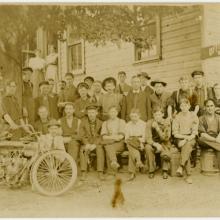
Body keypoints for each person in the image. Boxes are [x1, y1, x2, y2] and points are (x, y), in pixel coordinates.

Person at [172, 98, 199, 184]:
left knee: (186, 146)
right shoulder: (177, 116)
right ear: (179, 107)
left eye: (186, 105)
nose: (184, 107)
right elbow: (175, 133)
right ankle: (188, 176)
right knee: (186, 147)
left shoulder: (193, 116)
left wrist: (187, 139)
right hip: (179, 138)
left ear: (189, 106)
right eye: (182, 106)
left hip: (191, 138)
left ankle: (181, 166)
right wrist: (184, 138)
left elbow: (194, 133)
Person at [145, 106, 172, 179]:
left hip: (164, 142)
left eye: (159, 114)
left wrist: (157, 128)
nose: (157, 116)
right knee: (147, 147)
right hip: (153, 143)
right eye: (155, 115)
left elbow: (166, 138)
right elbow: (148, 138)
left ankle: (165, 170)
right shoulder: (149, 122)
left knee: (166, 147)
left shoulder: (166, 122)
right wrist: (155, 144)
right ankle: (151, 170)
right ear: (153, 115)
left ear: (163, 114)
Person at [79, 105, 105, 181]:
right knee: (83, 150)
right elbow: (82, 135)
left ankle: (100, 172)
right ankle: (83, 171)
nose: (91, 114)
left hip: (96, 144)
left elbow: (101, 136)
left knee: (100, 150)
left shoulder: (101, 123)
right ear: (87, 113)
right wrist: (86, 143)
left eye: (93, 112)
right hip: (87, 143)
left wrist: (95, 144)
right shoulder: (83, 123)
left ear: (96, 113)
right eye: (89, 113)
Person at [101, 106, 126, 173]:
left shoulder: (121, 122)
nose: (112, 113)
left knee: (108, 146)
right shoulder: (105, 123)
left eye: (114, 112)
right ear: (108, 113)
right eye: (111, 112)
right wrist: (114, 137)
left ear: (117, 113)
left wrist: (110, 137)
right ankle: (114, 162)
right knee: (109, 146)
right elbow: (104, 137)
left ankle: (111, 171)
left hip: (119, 144)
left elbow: (121, 136)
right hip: (109, 143)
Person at [198, 99, 220, 169]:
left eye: (211, 106)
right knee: (201, 139)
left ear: (215, 107)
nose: (210, 108)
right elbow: (202, 134)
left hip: (217, 138)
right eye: (208, 106)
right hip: (206, 139)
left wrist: (218, 138)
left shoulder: (218, 118)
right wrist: (215, 140)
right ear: (205, 108)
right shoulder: (201, 118)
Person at [125, 109, 146, 181]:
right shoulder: (127, 125)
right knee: (130, 143)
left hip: (140, 142)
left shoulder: (143, 124)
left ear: (139, 116)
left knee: (131, 152)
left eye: (135, 116)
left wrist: (140, 143)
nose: (133, 118)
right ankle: (138, 161)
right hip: (130, 142)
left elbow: (144, 137)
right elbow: (126, 138)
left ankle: (132, 173)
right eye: (132, 116)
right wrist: (133, 141)